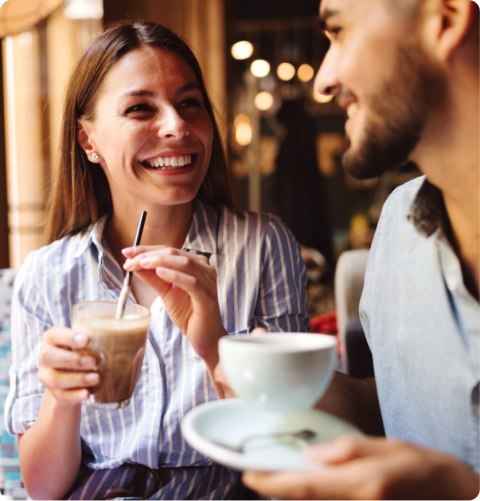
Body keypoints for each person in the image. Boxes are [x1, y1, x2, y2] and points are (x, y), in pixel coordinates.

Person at [4, 21, 309, 500]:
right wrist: (61, 399)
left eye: (190, 103)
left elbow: (291, 444)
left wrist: (216, 349)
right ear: (88, 141)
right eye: (140, 108)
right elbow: (43, 489)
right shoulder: (46, 275)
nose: (177, 126)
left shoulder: (264, 246)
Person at [235, 0, 480, 499]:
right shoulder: (397, 225)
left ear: (447, 20)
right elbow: (393, 411)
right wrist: (251, 362)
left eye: (339, 32)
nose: (323, 79)